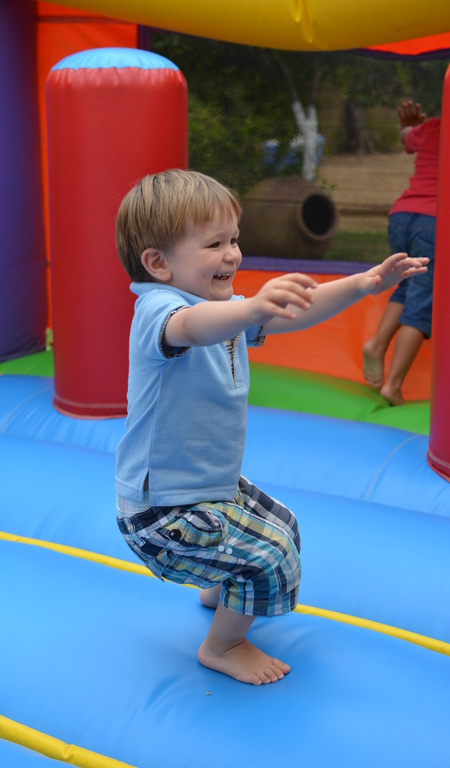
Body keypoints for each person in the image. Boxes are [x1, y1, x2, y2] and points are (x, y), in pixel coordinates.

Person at [114, 169, 428, 686]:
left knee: (286, 523)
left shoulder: (224, 309)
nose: (233, 255)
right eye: (214, 244)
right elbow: (191, 328)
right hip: (161, 512)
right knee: (272, 554)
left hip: (207, 490)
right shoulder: (159, 310)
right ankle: (223, 645)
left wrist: (365, 283)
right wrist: (251, 309)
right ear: (158, 263)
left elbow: (296, 313)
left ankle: (219, 586)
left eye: (234, 240)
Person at [362, 101, 440, 405]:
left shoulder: (433, 127)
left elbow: (407, 137)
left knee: (406, 285)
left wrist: (408, 127)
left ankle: (377, 344)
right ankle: (393, 385)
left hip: (401, 215)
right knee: (422, 301)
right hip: (433, 222)